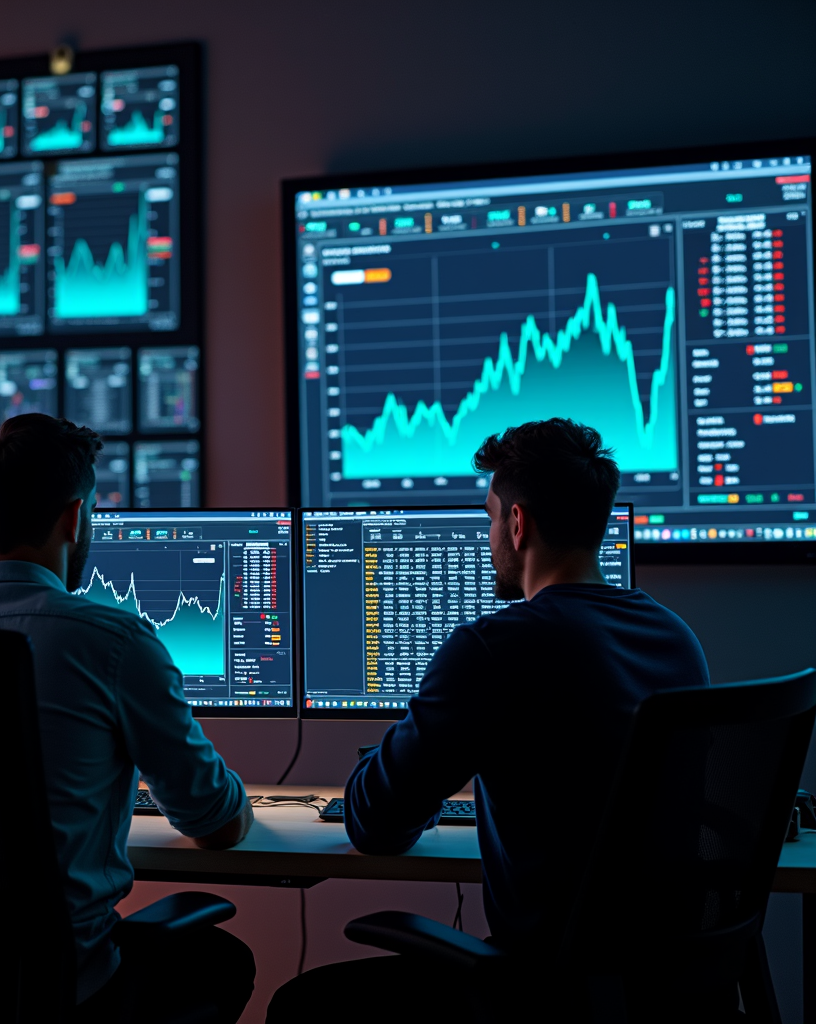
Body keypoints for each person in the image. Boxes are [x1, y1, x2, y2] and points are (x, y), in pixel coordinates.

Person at [266, 418, 712, 1023]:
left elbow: (376, 823)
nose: (490, 535)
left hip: (542, 988)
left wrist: (397, 748)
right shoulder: (677, 639)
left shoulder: (497, 647)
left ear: (518, 522)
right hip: (666, 987)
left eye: (489, 517)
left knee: (302, 1007)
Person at [0, 413, 256, 1022]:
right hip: (58, 987)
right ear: (76, 517)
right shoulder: (114, 641)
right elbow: (217, 824)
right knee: (221, 959)